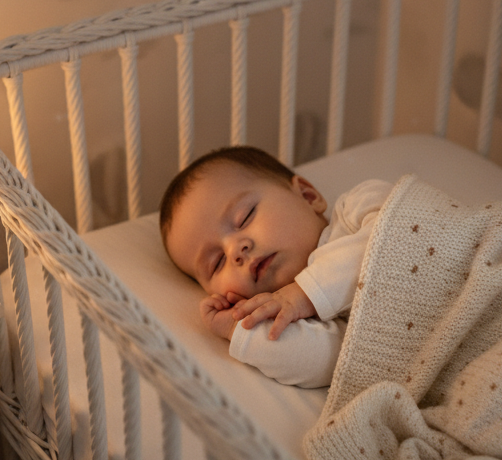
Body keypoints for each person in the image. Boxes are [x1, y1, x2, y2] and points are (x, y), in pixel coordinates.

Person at [160, 145, 391, 387]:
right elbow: (334, 363)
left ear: (307, 195)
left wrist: (305, 294)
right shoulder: (309, 321)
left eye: (245, 217)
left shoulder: (359, 208)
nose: (235, 251)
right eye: (217, 263)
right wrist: (239, 328)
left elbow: (395, 239)